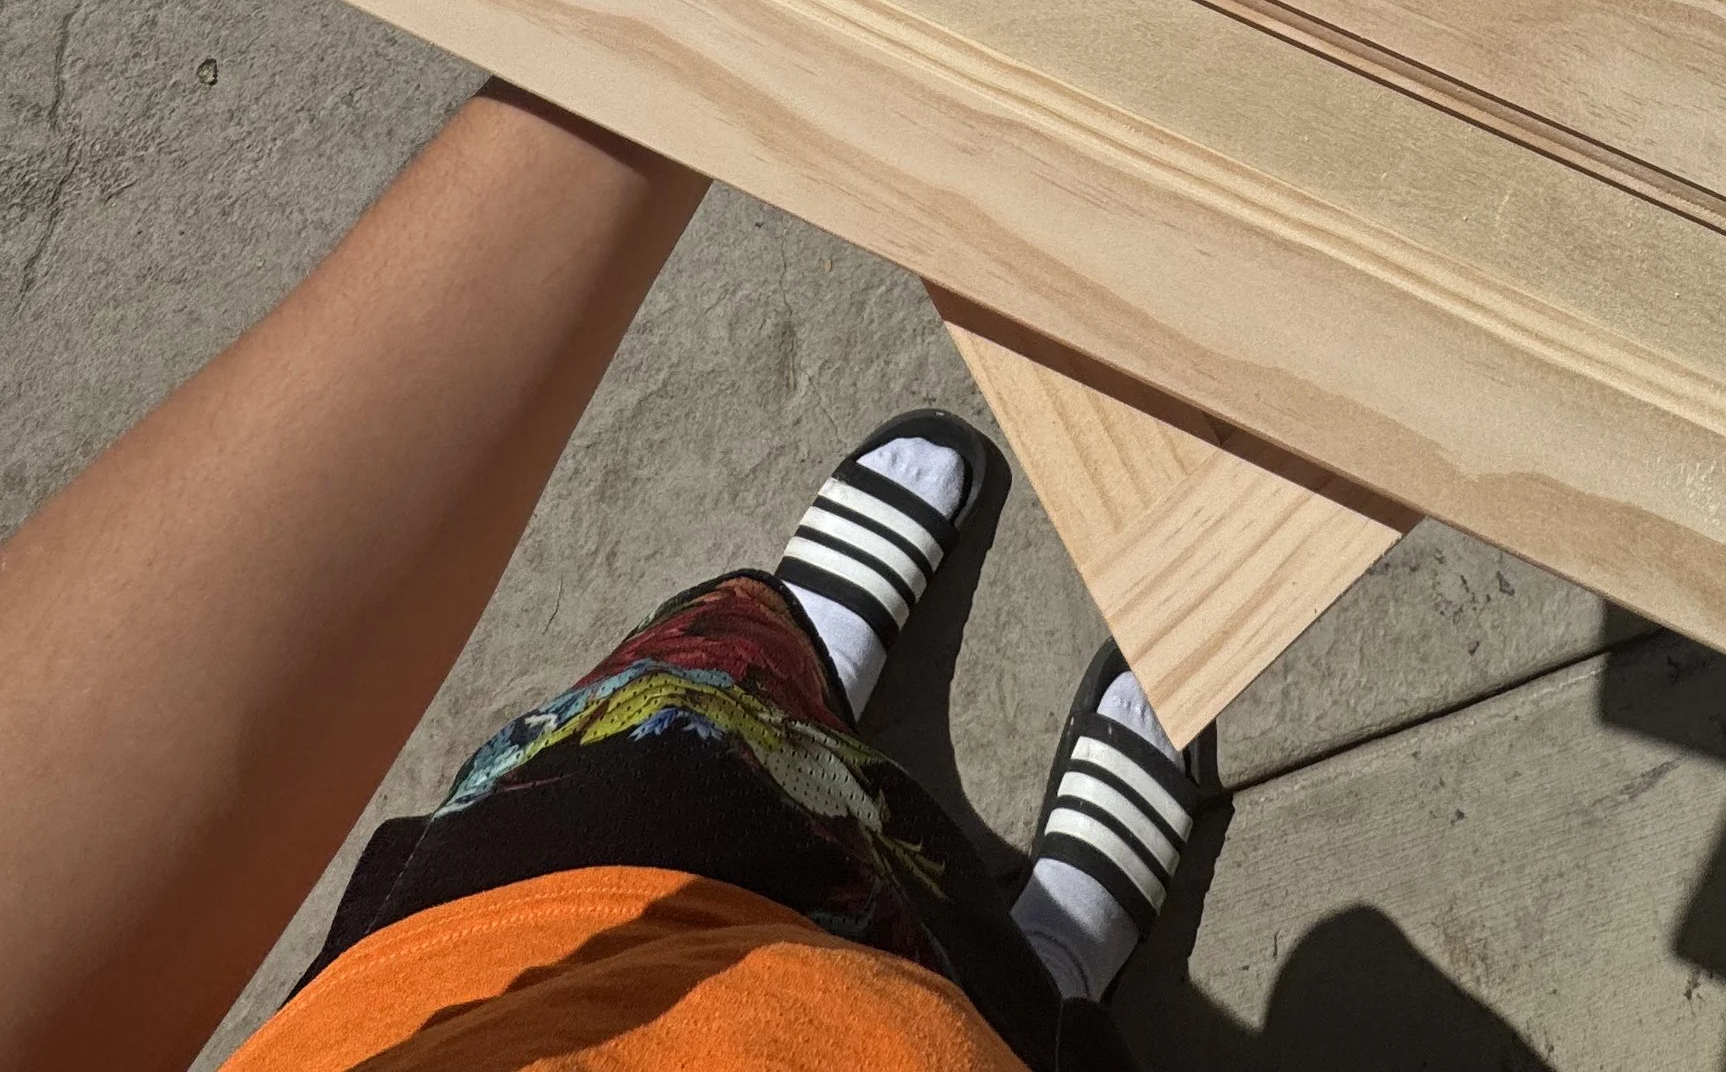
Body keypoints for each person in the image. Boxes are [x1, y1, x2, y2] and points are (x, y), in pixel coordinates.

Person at [0, 83, 1213, 1072]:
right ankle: (1051, 963)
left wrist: (645, 50)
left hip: (500, 964)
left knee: (691, 742)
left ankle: (787, 691)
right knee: (989, 1010)